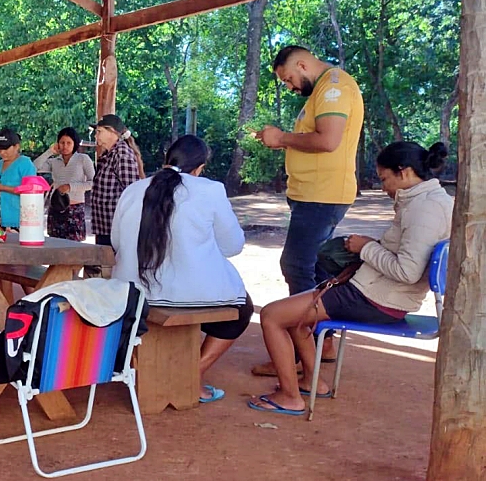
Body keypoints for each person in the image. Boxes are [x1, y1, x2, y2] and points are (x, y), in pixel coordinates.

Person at [250, 142, 453, 416]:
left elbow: (408, 271)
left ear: (403, 172)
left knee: (273, 316)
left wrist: (365, 248)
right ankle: (312, 381)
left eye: (384, 179)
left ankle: (290, 397)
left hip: (375, 299)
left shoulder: (424, 210)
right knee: (298, 318)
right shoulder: (429, 201)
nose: (383, 187)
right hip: (378, 293)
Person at [111, 135, 252, 403]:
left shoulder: (133, 189)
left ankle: (174, 375)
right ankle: (189, 375)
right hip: (190, 295)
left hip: (131, 294)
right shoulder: (210, 190)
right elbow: (233, 245)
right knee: (242, 309)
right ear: (199, 168)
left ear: (167, 160)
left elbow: (117, 243)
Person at [252, 45, 364, 374]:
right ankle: (320, 342)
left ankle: (302, 355)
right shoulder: (325, 90)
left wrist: (282, 138)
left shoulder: (334, 87)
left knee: (296, 265)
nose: (289, 86)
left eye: (289, 78)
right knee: (314, 268)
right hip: (314, 194)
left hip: (322, 194)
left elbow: (328, 141)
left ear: (302, 64)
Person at [89, 114, 142, 260]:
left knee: (113, 270)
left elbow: (132, 192)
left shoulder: (122, 154)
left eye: (99, 131)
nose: (96, 135)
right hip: (105, 225)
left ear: (112, 132)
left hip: (116, 227)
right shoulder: (108, 154)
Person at [33, 127, 95, 241]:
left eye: (68, 143)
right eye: (62, 142)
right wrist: (50, 152)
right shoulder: (54, 161)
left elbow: (93, 183)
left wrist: (70, 187)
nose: (65, 146)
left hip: (75, 209)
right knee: (55, 244)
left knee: (75, 247)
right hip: (56, 208)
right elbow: (34, 167)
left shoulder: (83, 159)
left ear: (74, 143)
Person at [0, 128, 37, 231]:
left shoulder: (25, 164)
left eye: (6, 148)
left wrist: (3, 188)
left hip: (16, 219)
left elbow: (30, 191)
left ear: (16, 146)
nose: (2, 152)